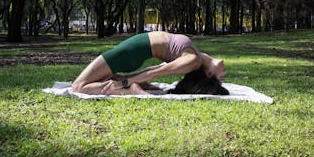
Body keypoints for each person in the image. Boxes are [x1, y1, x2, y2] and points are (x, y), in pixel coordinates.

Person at [72, 31, 226, 95]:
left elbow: (156, 72)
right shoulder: (197, 57)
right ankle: (136, 85)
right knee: (96, 80)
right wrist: (132, 77)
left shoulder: (193, 59)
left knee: (78, 87)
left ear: (208, 73)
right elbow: (158, 68)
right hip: (133, 51)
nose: (222, 71)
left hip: (132, 52)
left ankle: (130, 90)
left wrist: (126, 82)